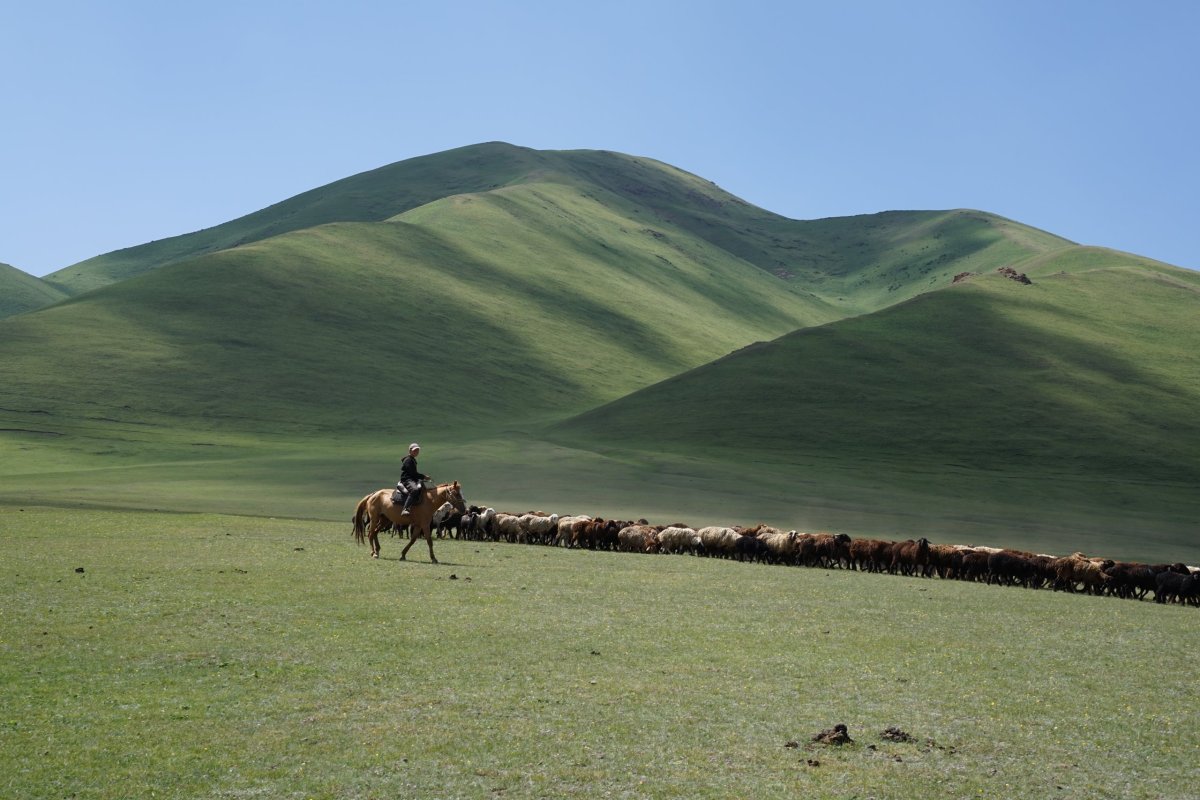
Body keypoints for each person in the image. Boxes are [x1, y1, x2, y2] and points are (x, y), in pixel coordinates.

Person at [397, 442, 430, 515]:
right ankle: (405, 508)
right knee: (414, 490)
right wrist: (424, 477)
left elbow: (414, 474)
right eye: (415, 450)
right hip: (407, 479)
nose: (417, 452)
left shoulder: (412, 459)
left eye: (417, 450)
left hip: (412, 479)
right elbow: (413, 473)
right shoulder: (408, 460)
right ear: (410, 450)